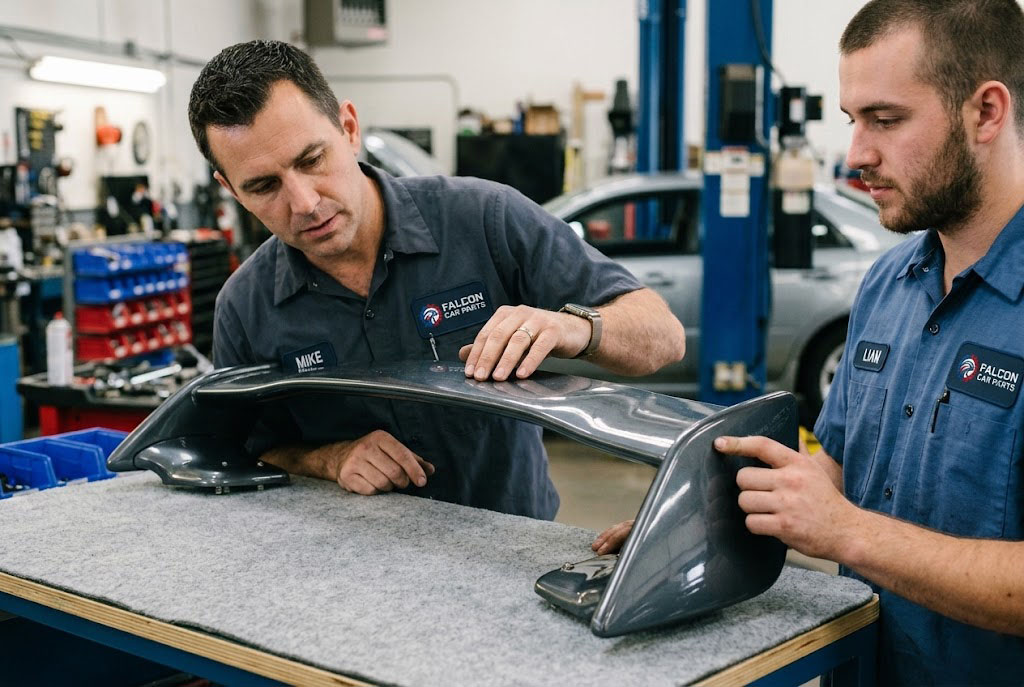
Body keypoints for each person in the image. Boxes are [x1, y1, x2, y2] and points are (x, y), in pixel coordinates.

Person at [595, 1, 1024, 683]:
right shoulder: (887, 284)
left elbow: (845, 521)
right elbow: (844, 469)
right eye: (853, 121)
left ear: (987, 112)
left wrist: (848, 531)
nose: (857, 156)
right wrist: (697, 523)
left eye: (887, 119)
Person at [187, 40, 686, 521]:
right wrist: (328, 459)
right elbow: (240, 450)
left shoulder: (486, 219)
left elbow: (663, 338)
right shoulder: (244, 307)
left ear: (349, 128)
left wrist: (574, 328)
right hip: (346, 560)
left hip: (512, 549)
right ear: (230, 188)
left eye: (311, 160)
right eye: (264, 186)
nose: (305, 203)